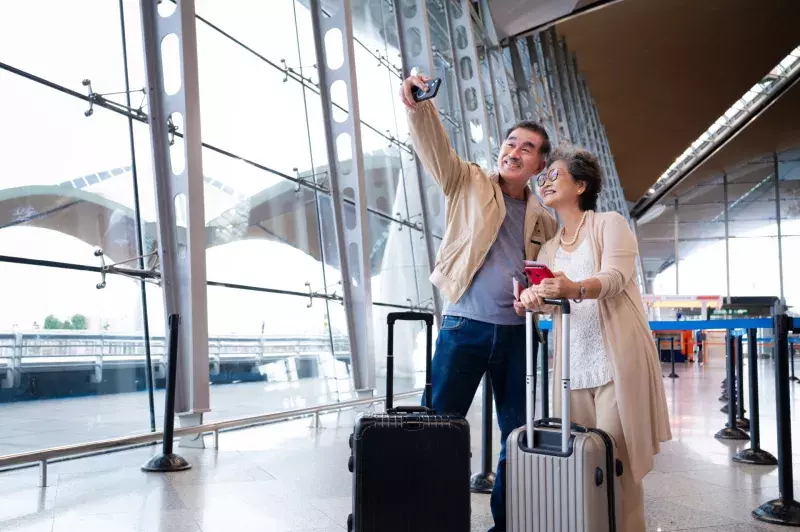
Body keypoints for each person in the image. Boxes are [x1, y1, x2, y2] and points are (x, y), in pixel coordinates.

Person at [400, 74, 558, 532]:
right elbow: (435, 150)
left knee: (518, 434)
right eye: (511, 141)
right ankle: (432, 521)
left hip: (518, 335)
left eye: (527, 148)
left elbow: (549, 276)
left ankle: (506, 525)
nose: (515, 150)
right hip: (463, 327)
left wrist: (541, 301)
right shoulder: (467, 182)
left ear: (539, 165)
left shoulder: (542, 219)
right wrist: (418, 107)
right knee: (439, 430)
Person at [519, 145, 672, 532]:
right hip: (571, 366)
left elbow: (615, 278)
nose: (545, 180)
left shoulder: (610, 224)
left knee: (616, 463)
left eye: (555, 174)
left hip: (612, 363)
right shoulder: (550, 246)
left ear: (582, 184)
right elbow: (553, 302)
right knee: (578, 463)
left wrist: (574, 288)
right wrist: (533, 300)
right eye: (544, 176)